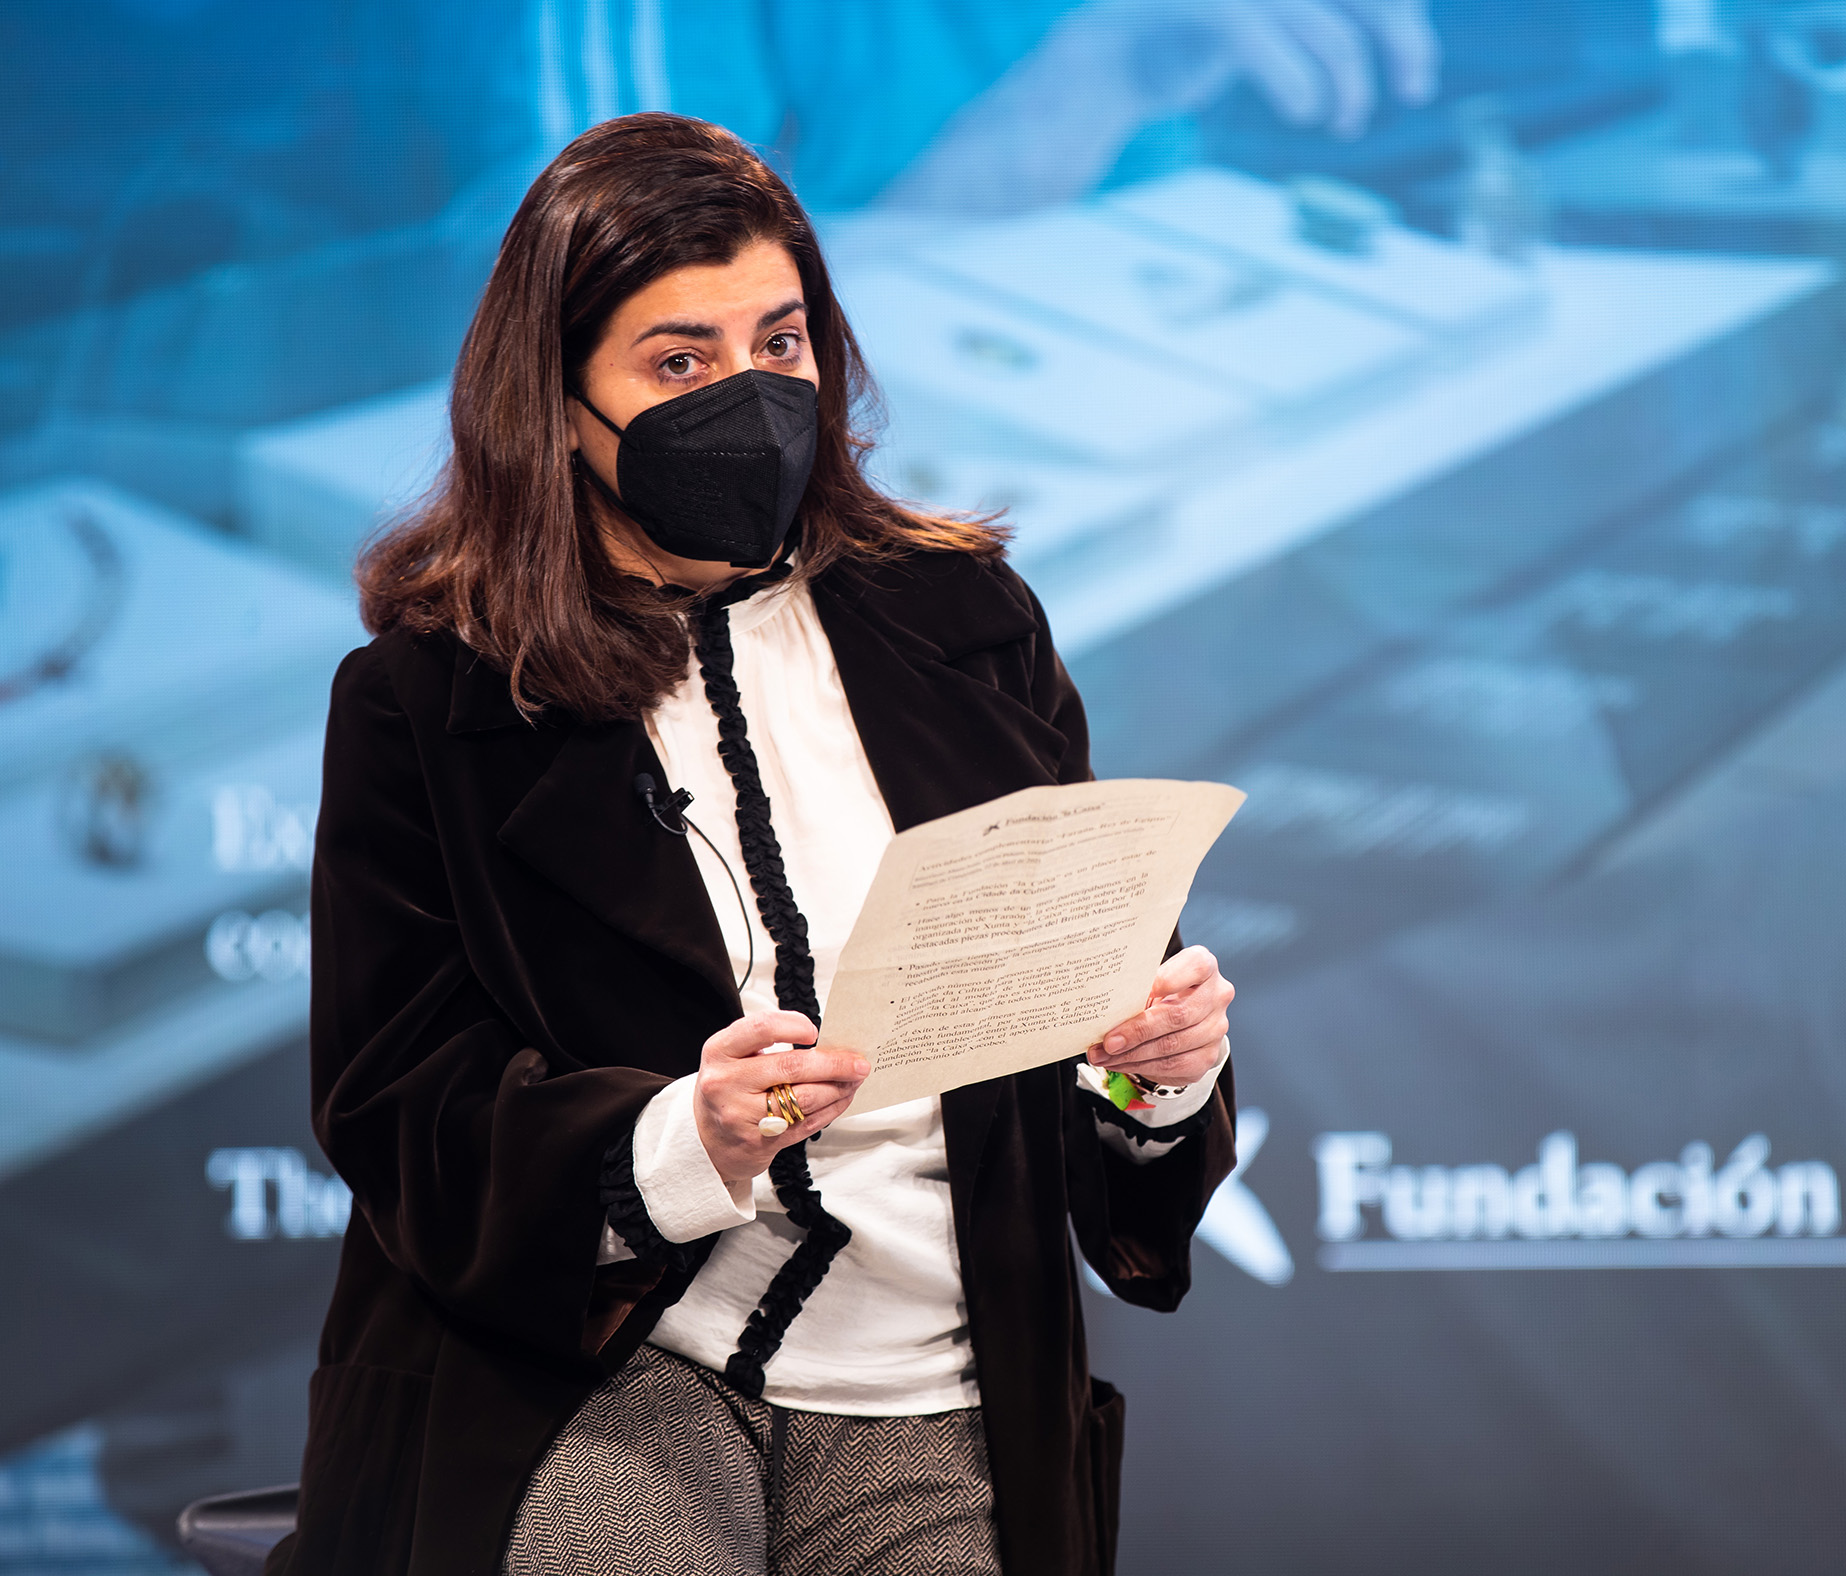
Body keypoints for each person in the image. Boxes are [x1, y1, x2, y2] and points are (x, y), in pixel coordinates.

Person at [272, 112, 1238, 1576]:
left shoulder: (970, 621)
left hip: (936, 1376)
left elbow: (1075, 1019)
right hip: (594, 1366)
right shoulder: (432, 700)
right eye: (679, 363)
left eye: (779, 344)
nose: (749, 397)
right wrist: (682, 1140)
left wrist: (1148, 1073)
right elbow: (397, 1101)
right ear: (559, 404)